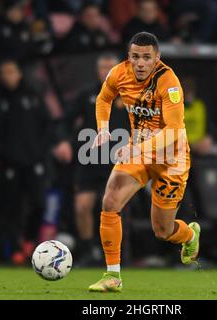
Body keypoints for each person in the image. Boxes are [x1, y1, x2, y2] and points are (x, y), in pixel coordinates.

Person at [88, 32, 200, 292]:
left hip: (172, 158)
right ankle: (112, 276)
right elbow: (104, 98)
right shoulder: (118, 73)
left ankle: (190, 234)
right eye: (135, 57)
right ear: (129, 57)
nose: (140, 63)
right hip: (138, 152)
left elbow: (173, 131)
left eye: (146, 58)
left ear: (157, 58)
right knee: (110, 200)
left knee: (161, 230)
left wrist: (137, 150)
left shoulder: (169, 82)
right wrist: (103, 128)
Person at [0, 60, 56, 264]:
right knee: (10, 208)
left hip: (34, 162)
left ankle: (29, 241)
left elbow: (47, 127)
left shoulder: (33, 97)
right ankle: (14, 249)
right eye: (3, 72)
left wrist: (39, 153)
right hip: (9, 164)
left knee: (39, 204)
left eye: (11, 71)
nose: (7, 75)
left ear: (19, 73)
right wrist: (5, 155)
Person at [65, 53, 129, 267]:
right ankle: (89, 250)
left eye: (111, 67)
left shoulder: (131, 95)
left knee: (114, 208)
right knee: (82, 207)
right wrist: (62, 142)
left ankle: (117, 255)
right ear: (97, 70)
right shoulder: (87, 95)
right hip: (90, 157)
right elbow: (66, 120)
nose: (107, 71)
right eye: (103, 67)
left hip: (119, 161)